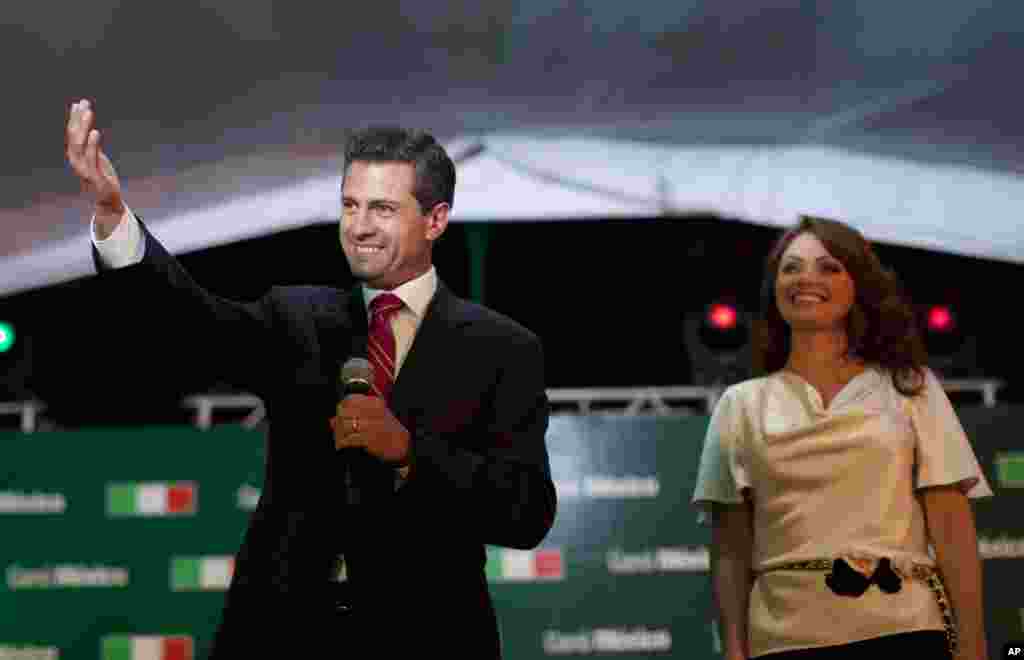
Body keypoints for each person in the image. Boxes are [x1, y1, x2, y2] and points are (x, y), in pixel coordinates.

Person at [65, 99, 557, 658]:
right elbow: (191, 323)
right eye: (349, 205)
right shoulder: (295, 318)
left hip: (428, 637)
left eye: (382, 209)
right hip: (281, 634)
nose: (359, 226)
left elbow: (527, 511)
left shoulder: (503, 348)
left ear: (436, 220)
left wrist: (410, 453)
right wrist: (112, 216)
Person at [692, 215, 992, 660]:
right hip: (783, 642)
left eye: (828, 267)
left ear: (859, 288)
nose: (806, 278)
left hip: (906, 634)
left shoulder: (912, 387)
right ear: (774, 291)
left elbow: (952, 529)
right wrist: (735, 651)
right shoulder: (740, 405)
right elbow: (730, 550)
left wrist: (972, 648)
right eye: (791, 268)